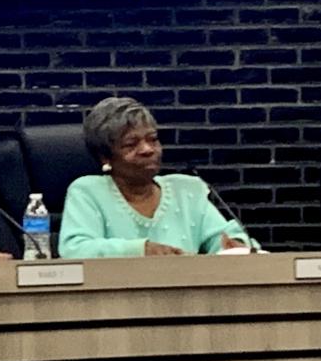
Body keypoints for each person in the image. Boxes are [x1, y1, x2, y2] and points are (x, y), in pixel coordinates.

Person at [59, 97, 251, 258]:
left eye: (152, 139)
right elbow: (75, 250)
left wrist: (237, 247)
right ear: (105, 156)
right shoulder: (87, 191)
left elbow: (224, 238)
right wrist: (141, 250)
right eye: (131, 144)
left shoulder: (186, 189)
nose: (148, 149)